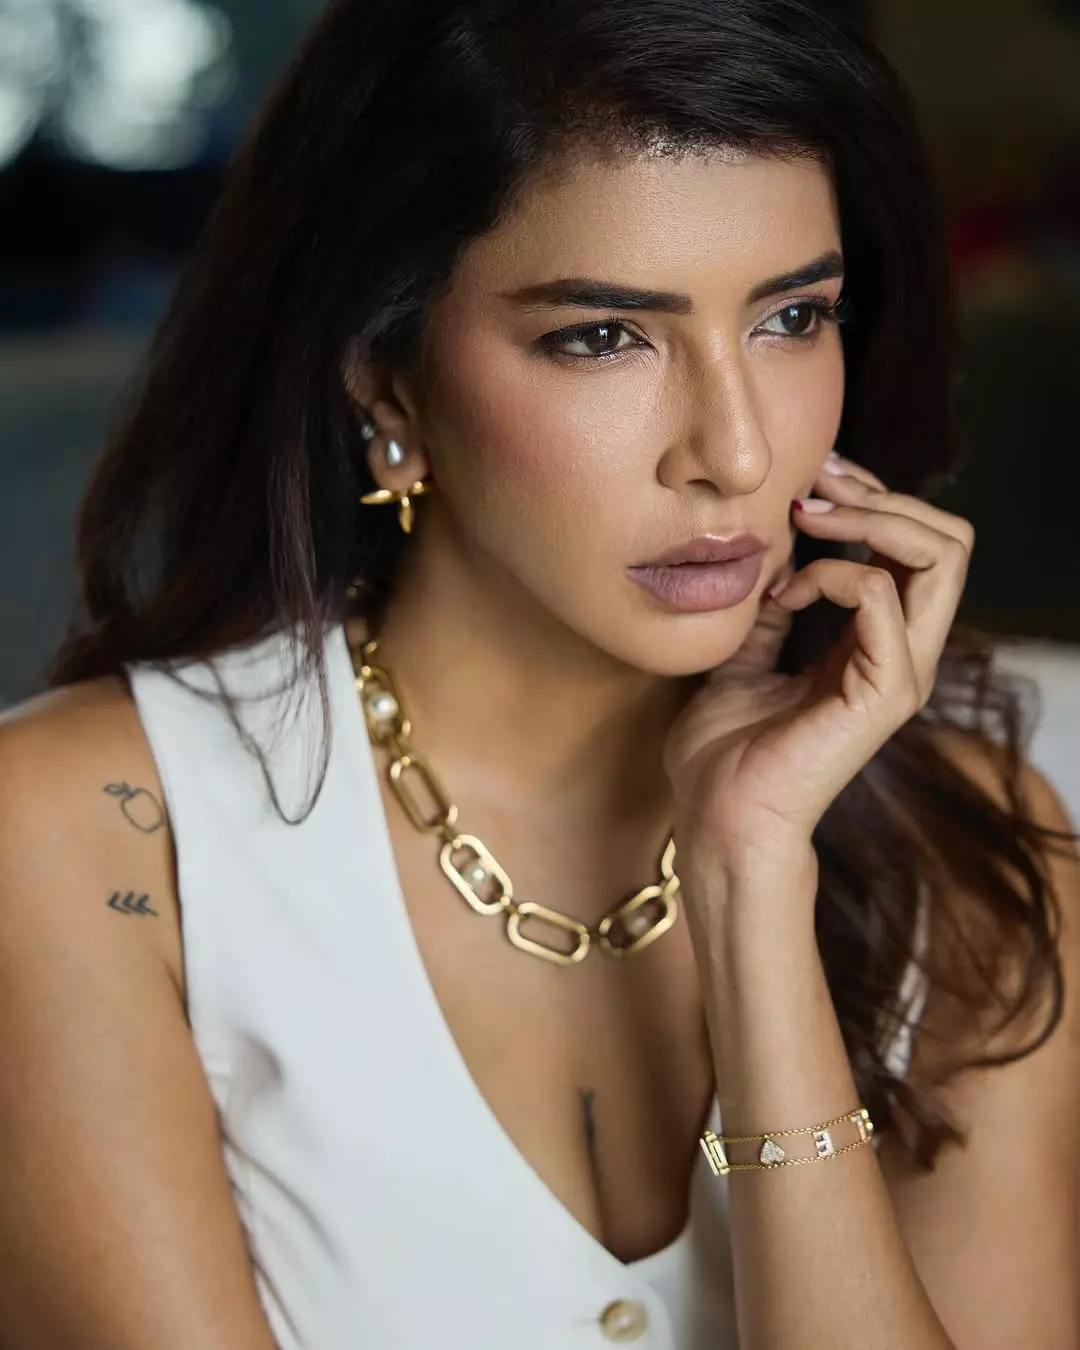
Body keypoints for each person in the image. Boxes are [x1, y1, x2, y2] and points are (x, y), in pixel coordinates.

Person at [0, 1, 1076, 1346]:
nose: (737, 453)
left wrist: (753, 881)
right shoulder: (81, 841)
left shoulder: (972, 847)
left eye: (793, 316)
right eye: (603, 336)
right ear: (387, 382)